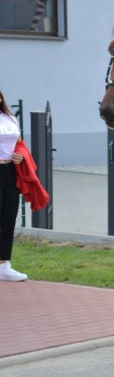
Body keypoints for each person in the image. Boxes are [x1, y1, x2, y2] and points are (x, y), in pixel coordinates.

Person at [0, 90, 27, 281]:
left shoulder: (10, 118)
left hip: (10, 171)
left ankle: (4, 265)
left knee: (8, 219)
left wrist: (20, 155)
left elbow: (19, 144)